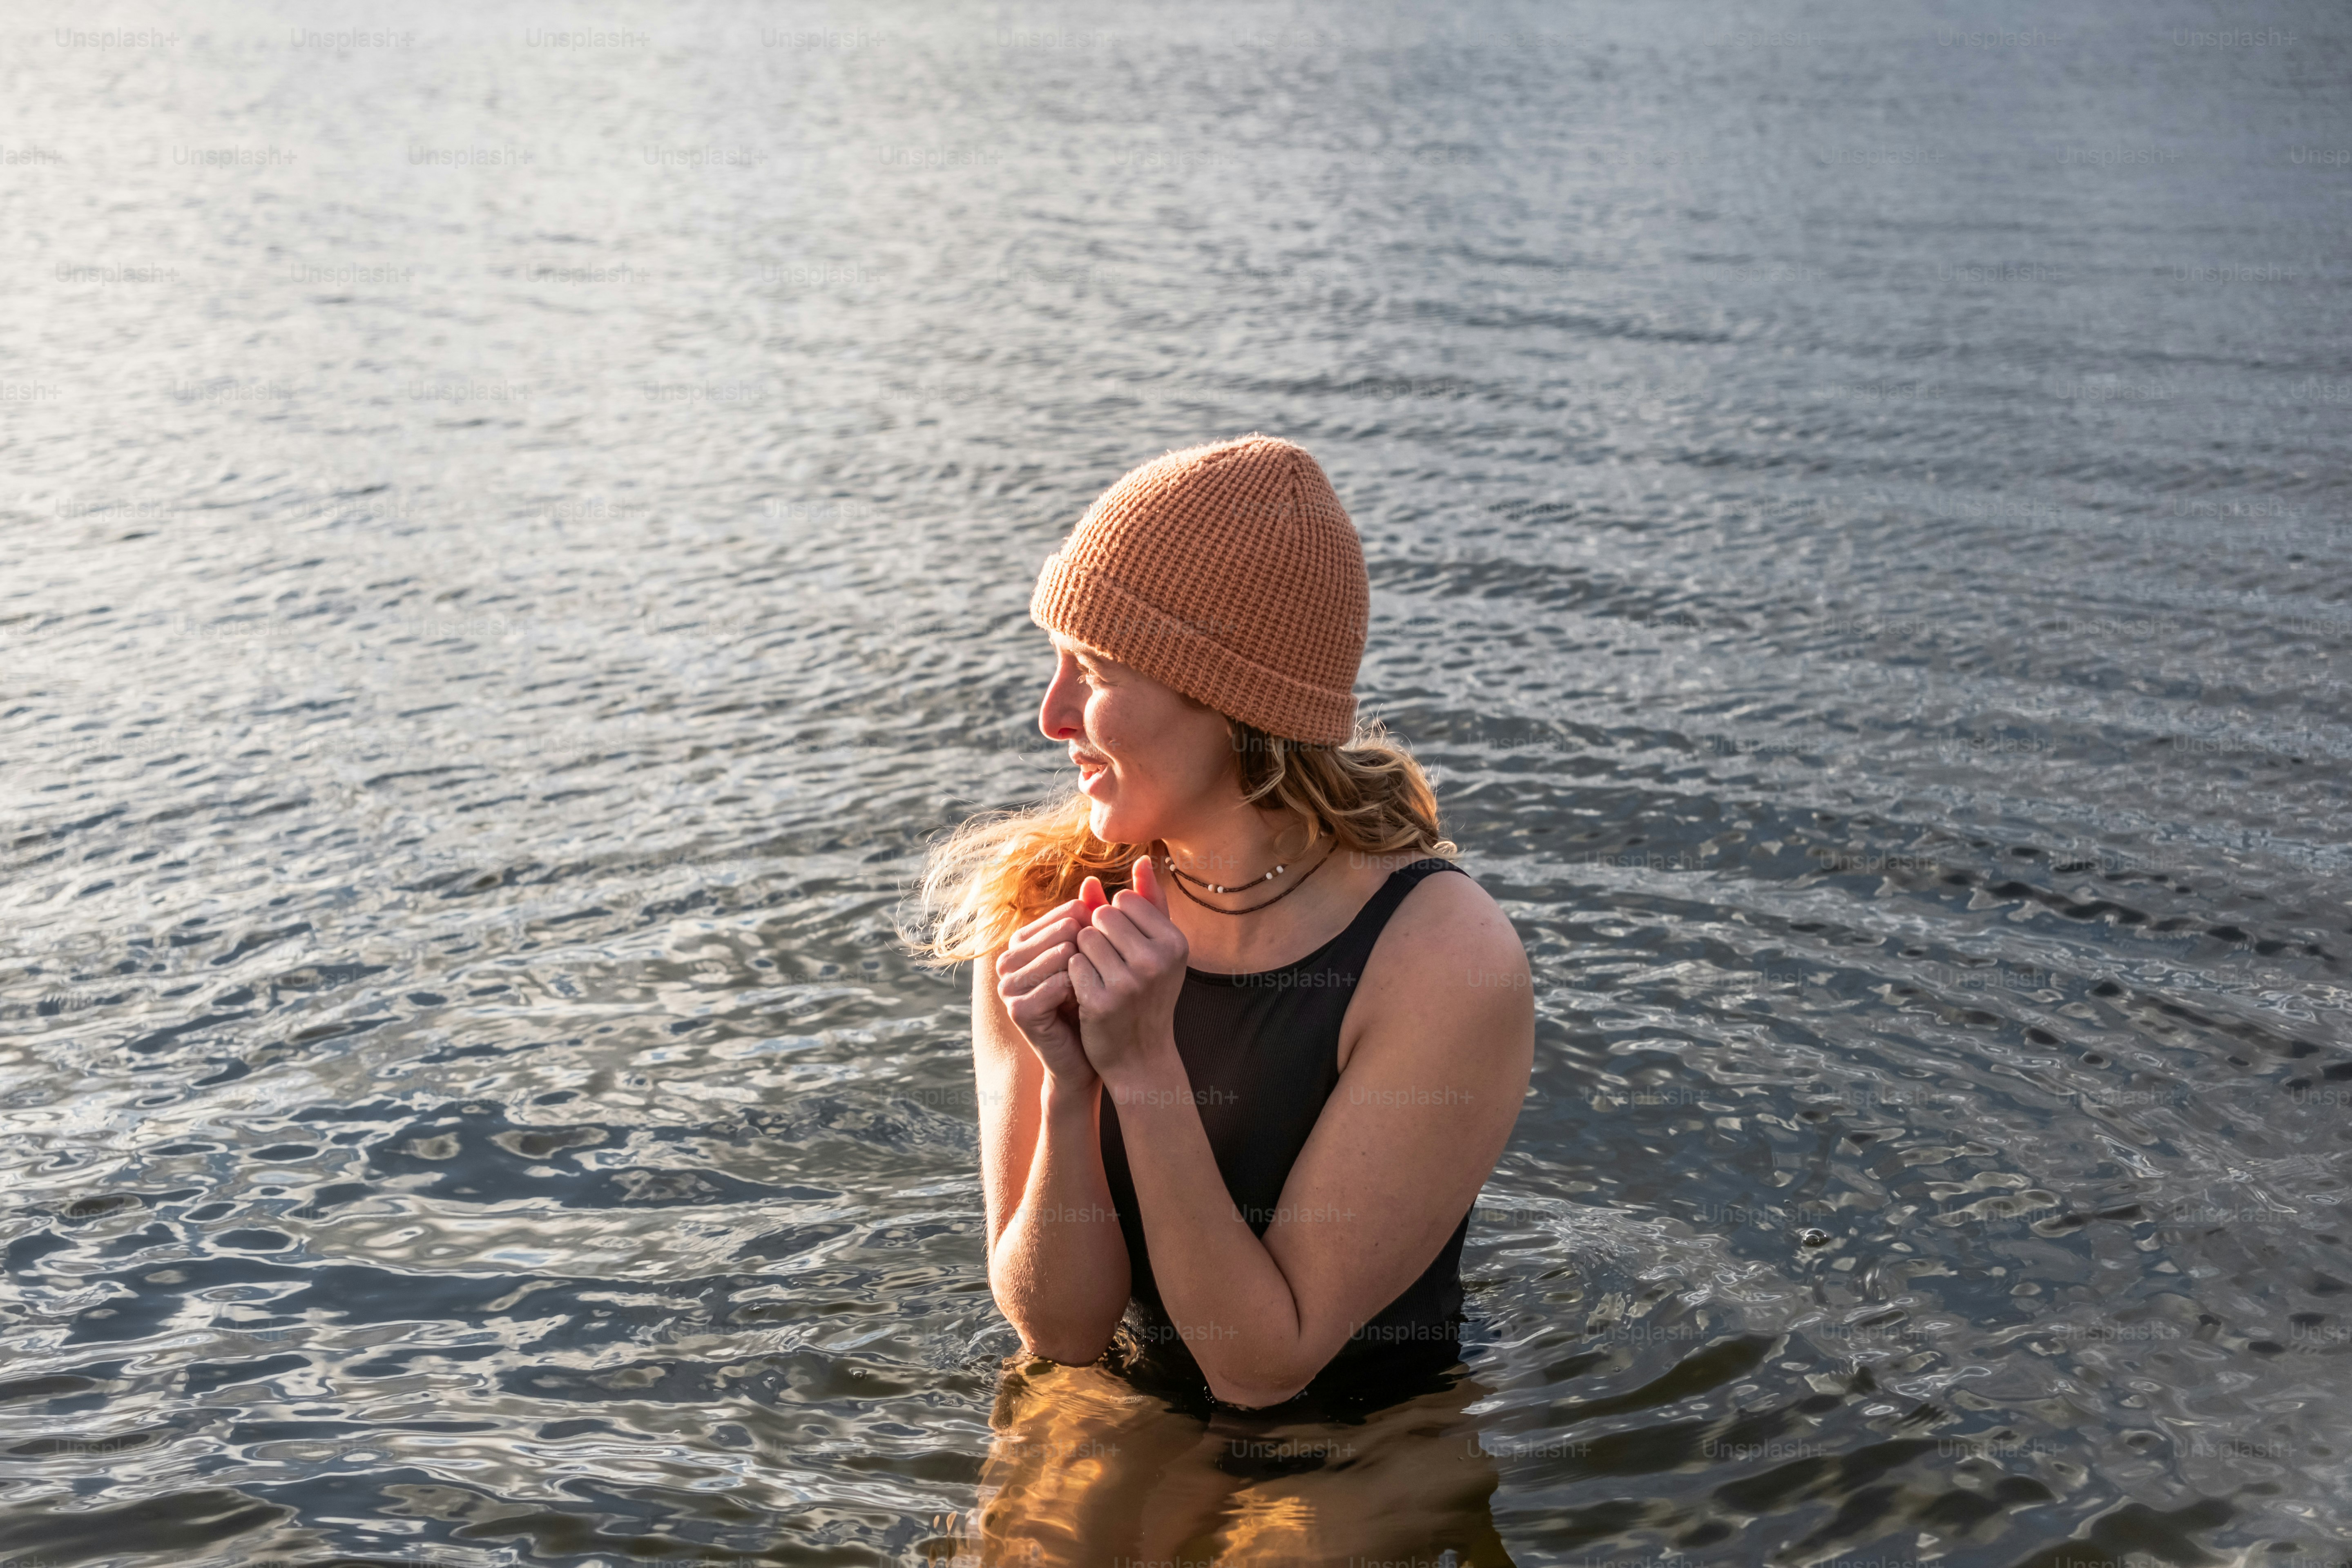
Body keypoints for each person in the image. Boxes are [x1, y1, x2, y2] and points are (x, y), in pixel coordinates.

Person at [909, 433, 1534, 1415]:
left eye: (1096, 672)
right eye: (1054, 662)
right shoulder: (1040, 901)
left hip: (1360, 1436)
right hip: (1110, 1401)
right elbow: (1061, 1333)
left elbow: (1260, 1368)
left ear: (1232, 701)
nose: (1051, 715)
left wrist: (1146, 1067)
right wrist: (1072, 1083)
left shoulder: (1440, 957)